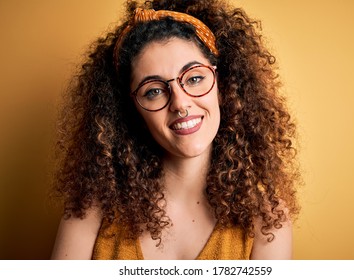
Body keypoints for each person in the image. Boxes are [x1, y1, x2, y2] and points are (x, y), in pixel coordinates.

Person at [51, 0, 300, 260]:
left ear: (223, 85)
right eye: (154, 91)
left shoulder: (267, 219)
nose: (180, 104)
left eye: (194, 78)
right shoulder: (90, 211)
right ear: (132, 109)